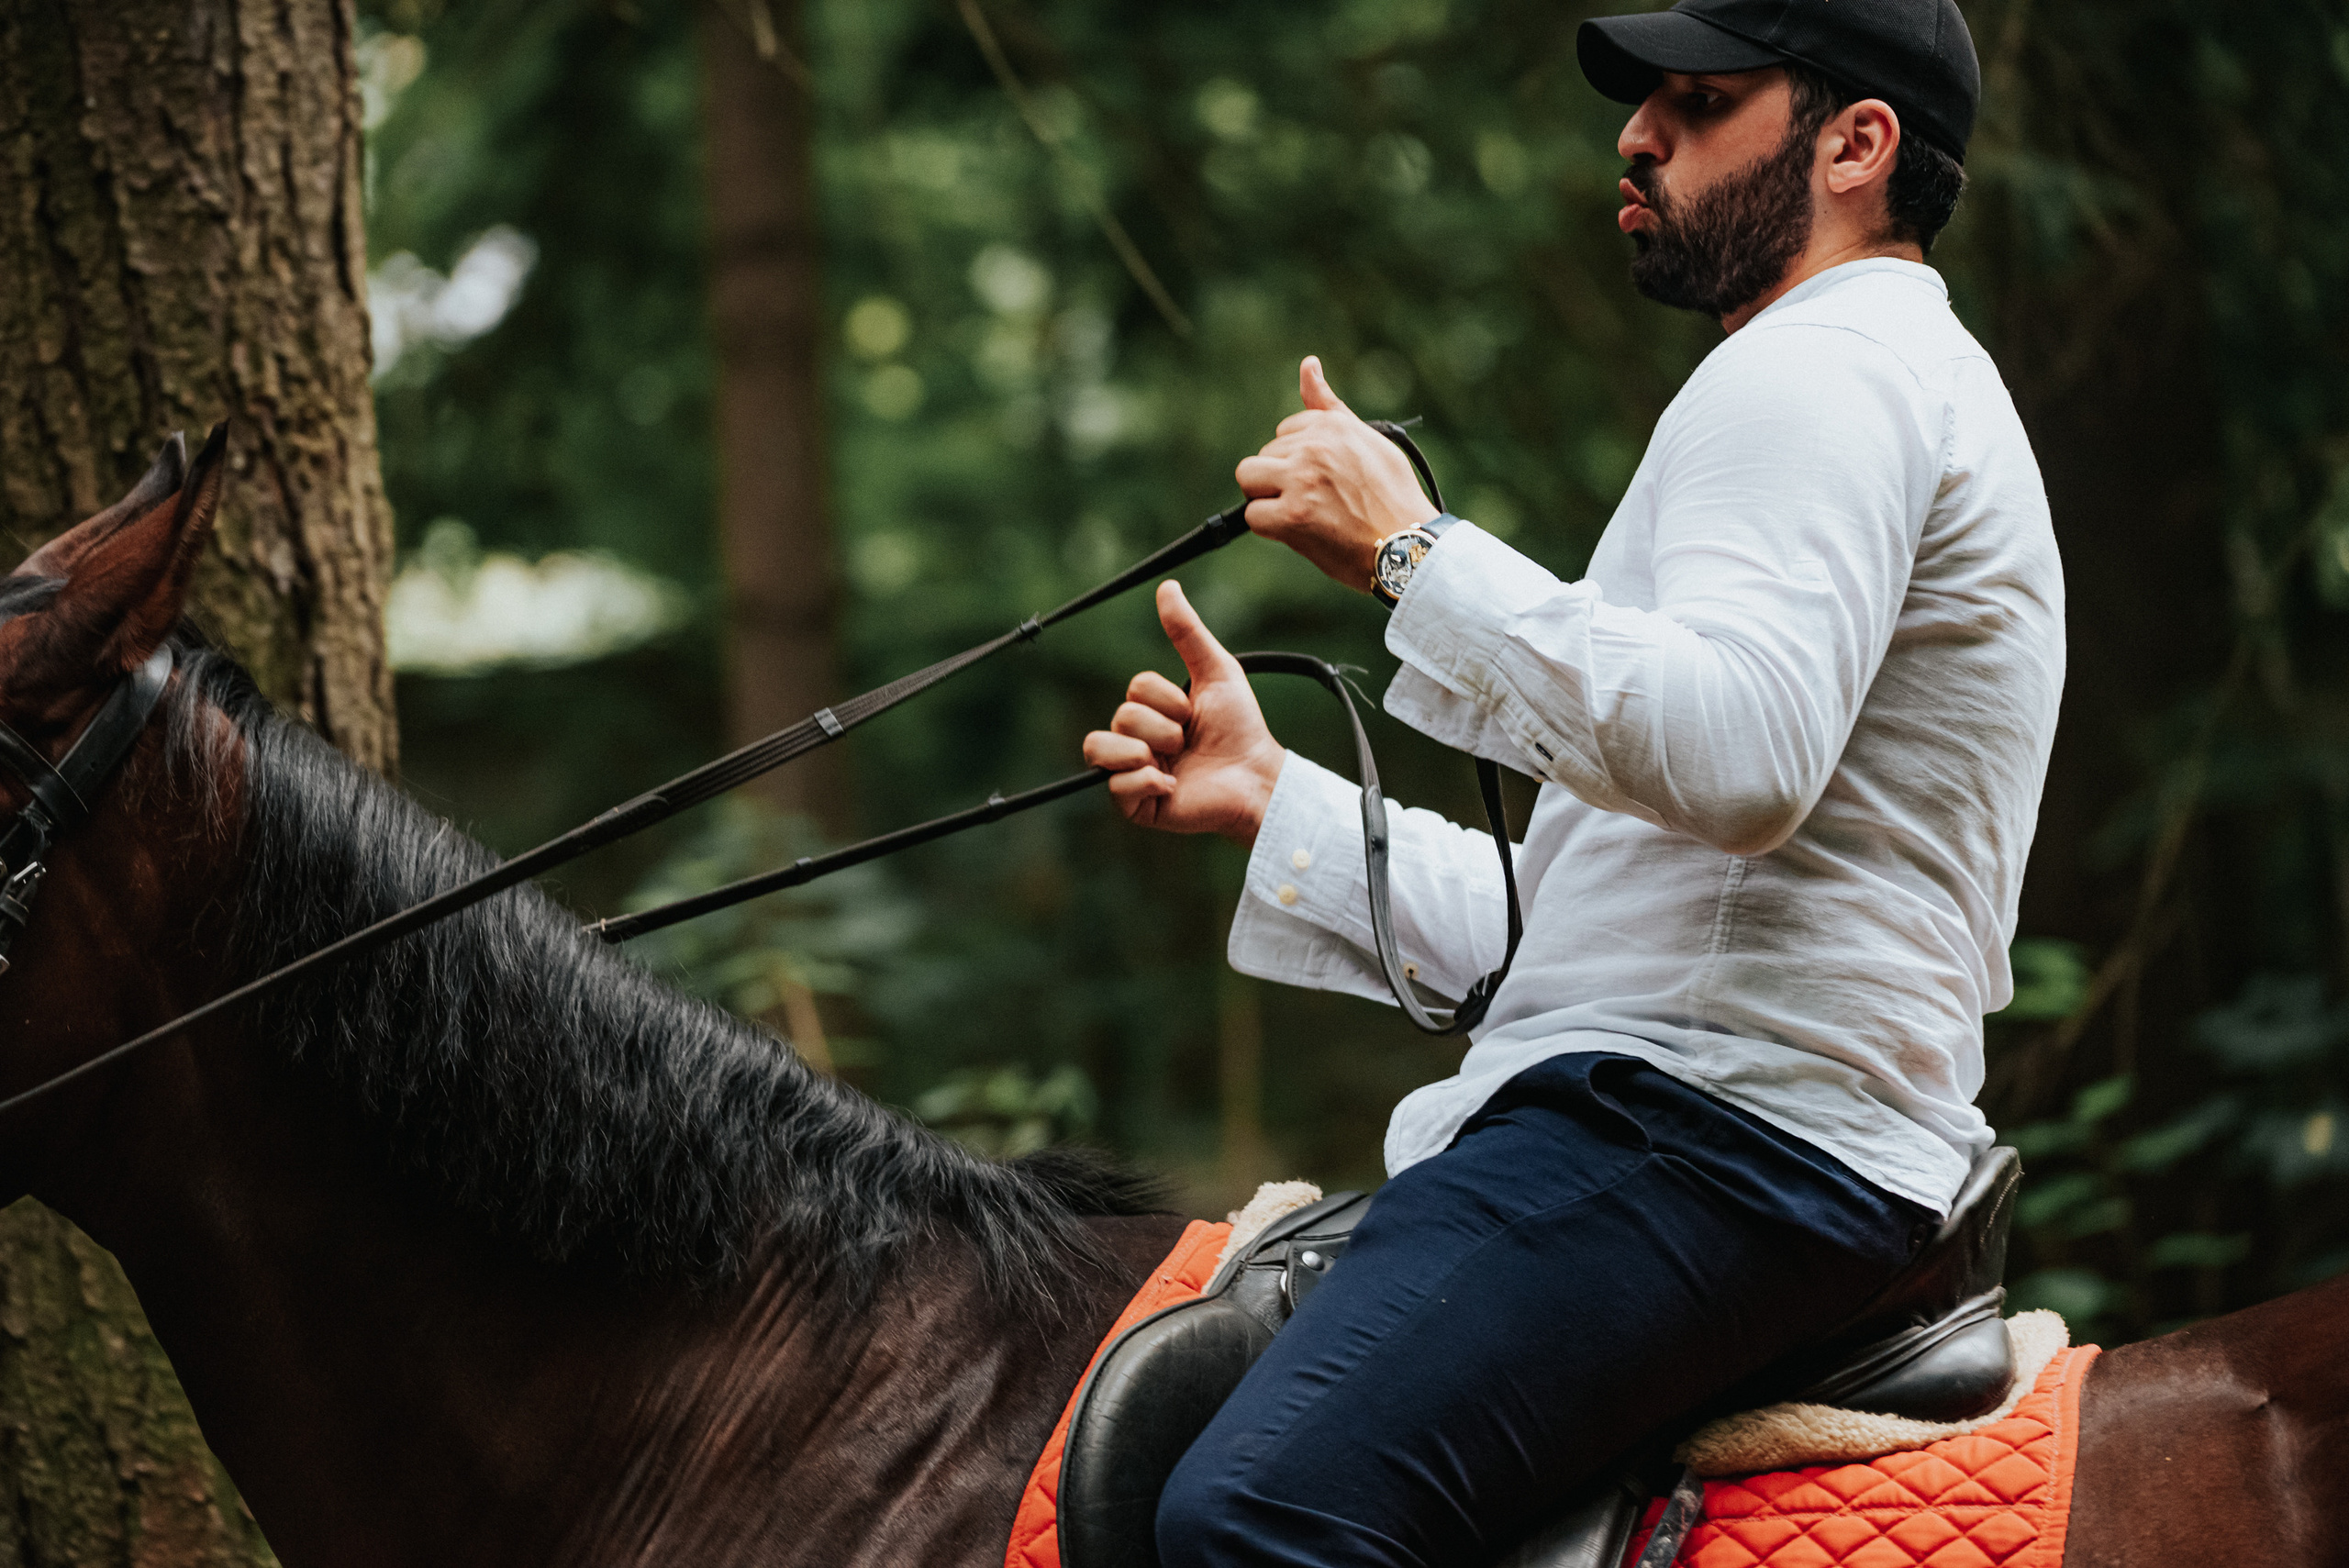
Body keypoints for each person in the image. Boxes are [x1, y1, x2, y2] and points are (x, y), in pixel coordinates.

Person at [1080, 0, 2064, 1563]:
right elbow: (1618, 940)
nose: (1637, 134)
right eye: (1645, 102)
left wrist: (1412, 552)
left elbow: (1740, 758)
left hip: (1716, 1140)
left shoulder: (1819, 369)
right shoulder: (1866, 376)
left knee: (1256, 1515)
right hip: (1714, 1117)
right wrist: (1278, 799)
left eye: (1700, 101)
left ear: (1857, 145)